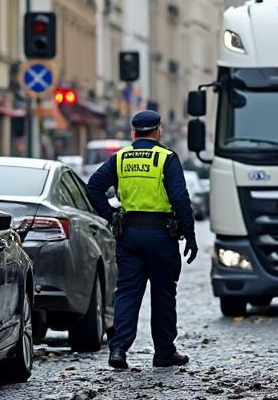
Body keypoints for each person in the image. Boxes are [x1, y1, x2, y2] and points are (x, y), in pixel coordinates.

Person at [85, 110, 198, 369]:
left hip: (130, 235)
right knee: (163, 294)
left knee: (127, 292)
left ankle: (118, 350)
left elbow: (93, 187)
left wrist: (111, 215)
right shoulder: (166, 158)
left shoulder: (121, 158)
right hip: (161, 236)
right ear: (158, 132)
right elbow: (180, 198)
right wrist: (189, 235)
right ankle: (164, 353)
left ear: (134, 133)